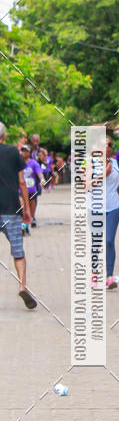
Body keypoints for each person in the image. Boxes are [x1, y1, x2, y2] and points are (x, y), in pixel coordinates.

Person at [0, 122, 36, 308]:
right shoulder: (14, 152)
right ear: (4, 136)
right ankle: (22, 286)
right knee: (17, 251)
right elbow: (22, 182)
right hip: (11, 209)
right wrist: (27, 210)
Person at [89, 136, 119, 289]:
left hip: (113, 207)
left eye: (109, 144)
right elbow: (85, 186)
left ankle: (109, 276)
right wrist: (104, 175)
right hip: (95, 208)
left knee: (109, 241)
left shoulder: (115, 163)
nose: (107, 147)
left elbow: (118, 183)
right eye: (103, 144)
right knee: (96, 241)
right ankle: (94, 274)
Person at [19, 145, 43, 234]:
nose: (24, 153)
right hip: (20, 190)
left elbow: (39, 173)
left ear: (30, 153)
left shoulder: (33, 163)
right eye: (23, 151)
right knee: (22, 208)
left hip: (32, 190)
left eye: (26, 151)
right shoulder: (17, 162)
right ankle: (23, 226)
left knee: (30, 210)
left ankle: (27, 225)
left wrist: (42, 179)